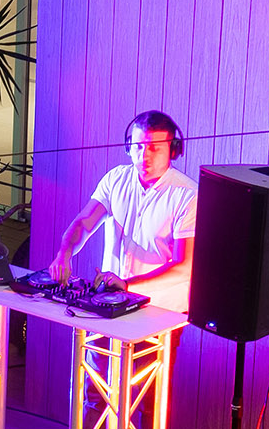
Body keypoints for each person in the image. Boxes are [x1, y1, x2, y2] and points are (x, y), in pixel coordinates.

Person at [51, 110, 196, 295]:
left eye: (154, 148)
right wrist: (65, 253)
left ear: (172, 150)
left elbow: (183, 267)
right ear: (128, 146)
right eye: (139, 146)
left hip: (160, 311)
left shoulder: (188, 196)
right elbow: (84, 223)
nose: (145, 155)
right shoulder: (115, 179)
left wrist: (128, 285)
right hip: (110, 298)